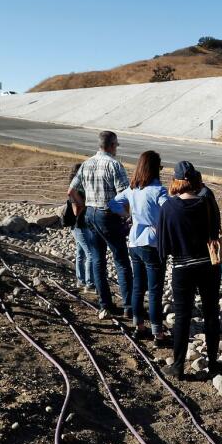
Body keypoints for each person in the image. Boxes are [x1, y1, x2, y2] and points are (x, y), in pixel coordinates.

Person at [158, 161, 222, 378]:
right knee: (211, 313)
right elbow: (216, 231)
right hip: (208, 265)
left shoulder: (167, 207)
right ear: (194, 179)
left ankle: (178, 366)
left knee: (183, 316)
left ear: (175, 180)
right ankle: (214, 363)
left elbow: (163, 244)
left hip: (182, 267)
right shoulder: (206, 202)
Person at [68, 130, 132, 319]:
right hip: (108, 215)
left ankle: (105, 304)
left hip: (90, 213)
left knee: (97, 260)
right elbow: (123, 195)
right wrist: (127, 215)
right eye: (116, 145)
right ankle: (129, 306)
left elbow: (71, 190)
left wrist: (82, 204)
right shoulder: (114, 165)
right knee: (121, 260)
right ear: (112, 145)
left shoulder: (86, 164)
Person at [110, 150, 171, 346]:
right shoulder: (159, 191)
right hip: (152, 243)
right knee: (154, 290)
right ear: (155, 169)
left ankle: (139, 327)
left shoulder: (132, 190)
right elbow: (170, 212)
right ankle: (158, 334)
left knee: (138, 287)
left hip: (134, 242)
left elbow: (112, 204)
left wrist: (128, 216)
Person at [67, 163, 98, 294]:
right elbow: (76, 211)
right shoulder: (76, 191)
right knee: (90, 254)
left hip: (79, 226)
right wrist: (87, 202)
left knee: (80, 254)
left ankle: (81, 280)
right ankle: (90, 284)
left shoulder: (78, 188)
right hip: (79, 226)